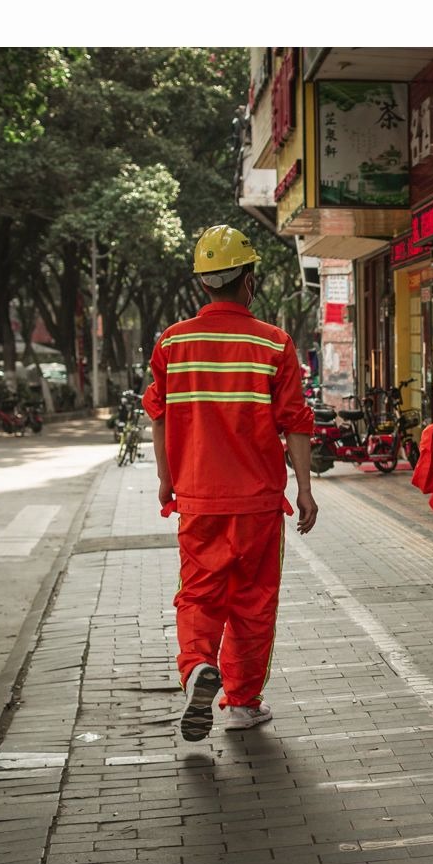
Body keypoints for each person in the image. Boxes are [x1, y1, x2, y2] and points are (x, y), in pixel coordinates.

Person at [145, 225, 319, 740]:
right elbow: (296, 423)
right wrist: (304, 490)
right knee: (254, 600)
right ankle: (243, 703)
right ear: (248, 279)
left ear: (203, 284)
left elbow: (158, 417)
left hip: (198, 499)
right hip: (259, 504)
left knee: (199, 594)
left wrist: (165, 480)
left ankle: (198, 666)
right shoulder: (273, 343)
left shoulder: (172, 344)